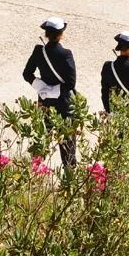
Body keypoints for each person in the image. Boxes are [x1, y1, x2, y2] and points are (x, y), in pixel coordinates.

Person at [23, 17, 78, 166]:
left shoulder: (38, 51)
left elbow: (27, 74)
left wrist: (44, 89)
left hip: (45, 102)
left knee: (40, 143)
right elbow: (71, 83)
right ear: (61, 35)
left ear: (46, 34)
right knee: (67, 148)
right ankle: (69, 175)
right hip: (64, 104)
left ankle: (34, 173)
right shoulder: (66, 54)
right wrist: (55, 90)